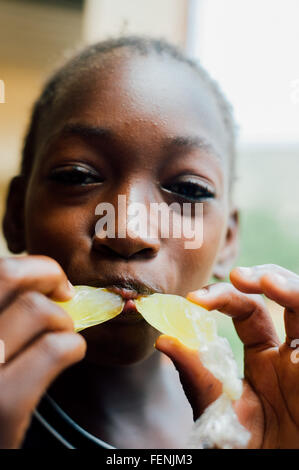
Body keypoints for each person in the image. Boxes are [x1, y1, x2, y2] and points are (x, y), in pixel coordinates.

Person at [1, 36, 299, 449]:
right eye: (77, 176)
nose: (128, 231)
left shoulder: (253, 426)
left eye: (189, 190)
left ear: (228, 240)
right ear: (15, 214)